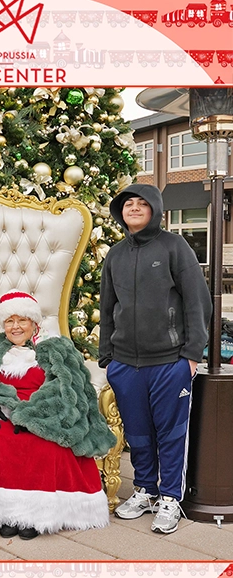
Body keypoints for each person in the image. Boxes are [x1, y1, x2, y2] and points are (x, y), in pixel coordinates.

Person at [99, 184, 212, 534]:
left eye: (141, 203)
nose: (134, 208)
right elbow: (107, 307)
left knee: (171, 433)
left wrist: (191, 354)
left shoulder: (174, 247)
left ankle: (170, 498)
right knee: (137, 433)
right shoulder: (115, 255)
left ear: (155, 209)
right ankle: (145, 490)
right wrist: (107, 357)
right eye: (127, 204)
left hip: (169, 362)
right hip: (125, 364)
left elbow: (197, 302)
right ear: (121, 212)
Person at [0, 290, 114, 540]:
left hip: (43, 413)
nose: (15, 327)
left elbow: (67, 387)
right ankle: (6, 514)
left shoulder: (52, 349)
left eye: (22, 320)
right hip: (1, 411)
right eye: (10, 321)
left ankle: (35, 516)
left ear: (34, 323)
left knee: (44, 445)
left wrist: (32, 413)